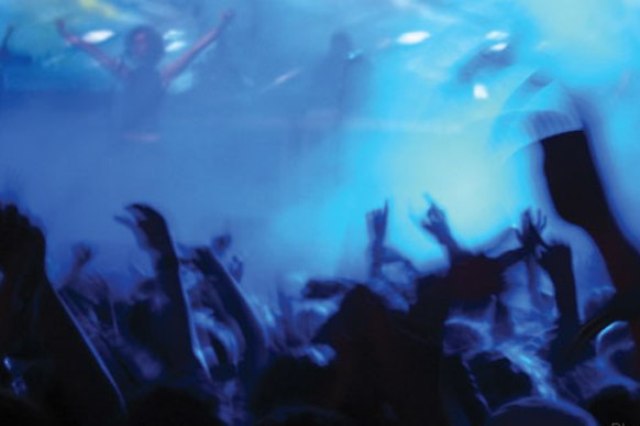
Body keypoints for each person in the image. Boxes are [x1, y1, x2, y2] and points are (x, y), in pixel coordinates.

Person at [56, 11, 234, 142]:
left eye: (144, 42)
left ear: (153, 46)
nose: (140, 47)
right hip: (127, 142)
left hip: (147, 144)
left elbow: (195, 49)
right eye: (136, 43)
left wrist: (222, 25)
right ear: (132, 47)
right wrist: (68, 35)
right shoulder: (128, 73)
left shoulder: (163, 74)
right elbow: (97, 53)